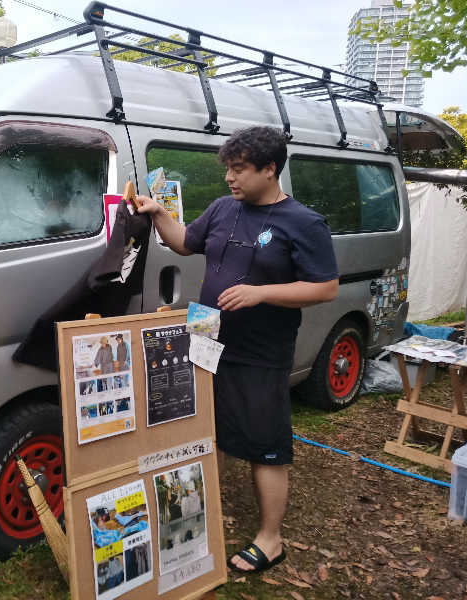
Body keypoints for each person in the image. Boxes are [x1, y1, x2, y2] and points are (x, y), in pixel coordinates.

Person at [135, 126, 338, 574]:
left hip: (260, 348)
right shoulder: (225, 208)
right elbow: (185, 242)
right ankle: (196, 510)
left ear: (270, 169)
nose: (230, 177)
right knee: (202, 423)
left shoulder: (303, 222)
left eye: (240, 169)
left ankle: (270, 539)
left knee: (265, 442)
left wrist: (261, 293)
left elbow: (325, 287)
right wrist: (156, 213)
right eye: (228, 168)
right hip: (205, 330)